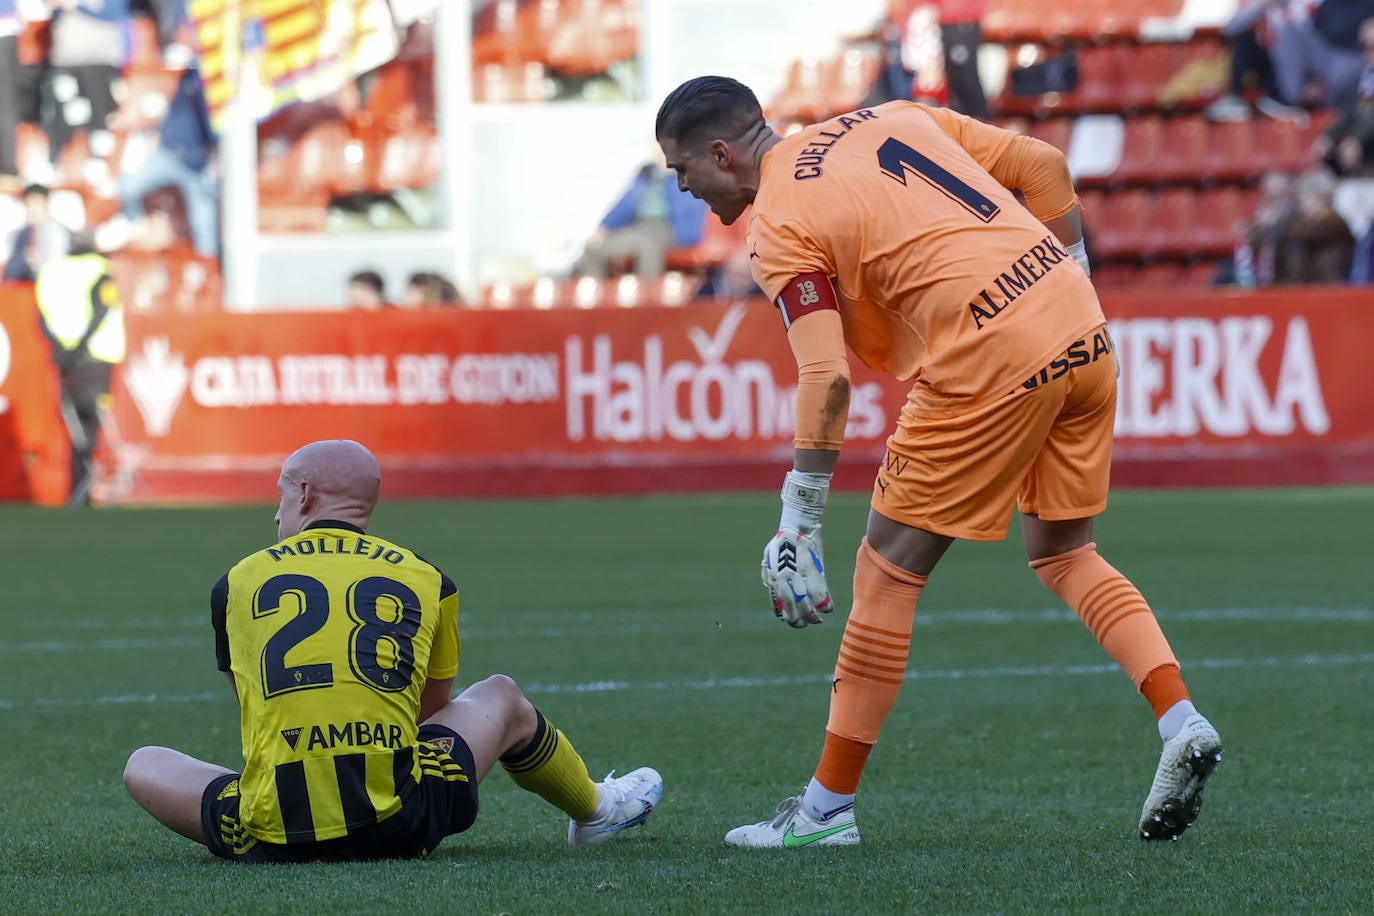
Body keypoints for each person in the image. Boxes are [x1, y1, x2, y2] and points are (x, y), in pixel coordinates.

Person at [655, 76, 1223, 848]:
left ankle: (824, 815)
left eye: (681, 168)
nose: (682, 186)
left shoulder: (780, 221)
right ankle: (1180, 720)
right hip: (1074, 317)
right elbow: (1046, 166)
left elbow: (828, 376)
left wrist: (800, 519)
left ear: (721, 154)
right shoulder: (888, 115)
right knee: (1065, 551)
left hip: (984, 352)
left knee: (886, 572)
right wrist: (1073, 279)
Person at [123, 439, 663, 862]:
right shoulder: (428, 578)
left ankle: (274, 802)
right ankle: (596, 810)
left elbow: (253, 705)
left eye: (281, 495)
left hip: (273, 831)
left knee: (143, 763)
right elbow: (428, 712)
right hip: (403, 822)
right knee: (501, 696)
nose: (276, 513)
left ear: (306, 495)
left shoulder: (236, 581)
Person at [33, 229, 122, 506]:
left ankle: (78, 491)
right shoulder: (99, 268)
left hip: (66, 361)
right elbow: (101, 309)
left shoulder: (51, 270)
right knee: (91, 426)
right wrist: (80, 348)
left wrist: (63, 350)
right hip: (95, 357)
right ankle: (85, 492)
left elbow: (41, 317)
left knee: (75, 427)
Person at [115, 67, 219, 258]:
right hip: (178, 158)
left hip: (189, 159)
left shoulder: (210, 89)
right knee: (127, 185)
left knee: (205, 224)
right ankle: (134, 223)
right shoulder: (189, 82)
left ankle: (211, 263)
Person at [573, 159, 709, 279]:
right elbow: (624, 205)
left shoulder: (686, 177)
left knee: (646, 246)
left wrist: (675, 174)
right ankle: (600, 300)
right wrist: (604, 227)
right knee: (593, 248)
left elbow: (690, 214)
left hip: (667, 229)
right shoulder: (646, 175)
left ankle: (648, 299)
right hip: (637, 228)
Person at [4, 183, 71, 282]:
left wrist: (38, 264)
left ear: (47, 205)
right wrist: (25, 260)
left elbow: (57, 271)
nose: (33, 210)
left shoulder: (58, 232)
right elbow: (10, 275)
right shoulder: (22, 235)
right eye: (28, 205)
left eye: (37, 204)